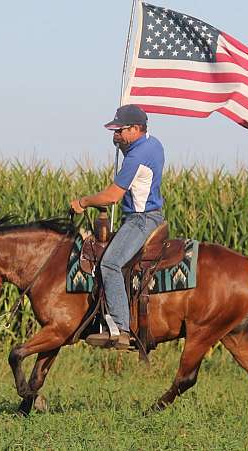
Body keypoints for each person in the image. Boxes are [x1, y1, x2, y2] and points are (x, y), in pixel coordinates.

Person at [70, 104, 165, 350]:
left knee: (110, 263)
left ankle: (122, 329)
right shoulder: (153, 144)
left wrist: (83, 202)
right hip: (147, 215)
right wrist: (123, 145)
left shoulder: (136, 156)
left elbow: (112, 196)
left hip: (141, 219)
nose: (115, 135)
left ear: (136, 129)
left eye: (120, 131)